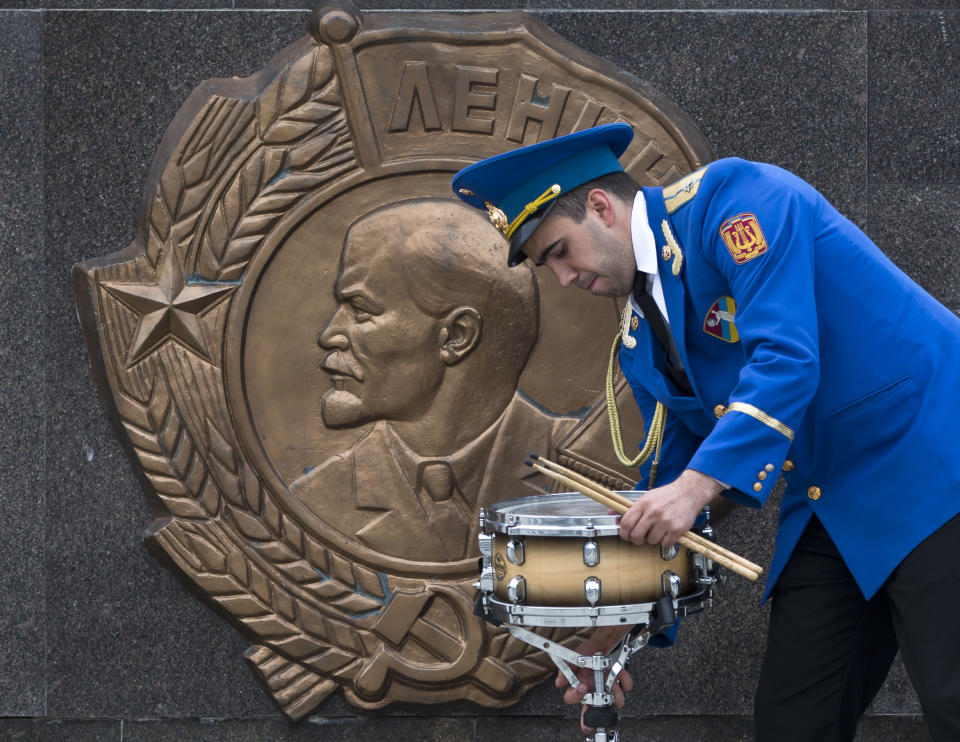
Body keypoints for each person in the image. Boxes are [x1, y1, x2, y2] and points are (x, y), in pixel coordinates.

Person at [451, 123, 960, 741]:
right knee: (793, 723)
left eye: (559, 251)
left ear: (601, 207)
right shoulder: (639, 340)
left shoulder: (737, 202)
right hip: (834, 500)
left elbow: (786, 361)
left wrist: (692, 491)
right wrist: (618, 628)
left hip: (935, 462)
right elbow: (671, 485)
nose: (562, 279)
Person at [290, 198, 581, 563]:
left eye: (361, 311)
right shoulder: (318, 499)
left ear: (457, 336)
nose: (329, 334)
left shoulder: (588, 471)